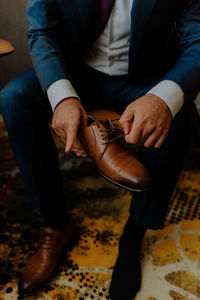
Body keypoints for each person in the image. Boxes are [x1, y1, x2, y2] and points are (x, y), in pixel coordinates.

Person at [1, 0, 200, 299]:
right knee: (14, 98)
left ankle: (135, 233)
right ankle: (56, 223)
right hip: (76, 70)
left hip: (146, 78)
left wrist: (162, 98)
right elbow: (42, 32)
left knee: (183, 119)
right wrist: (63, 98)